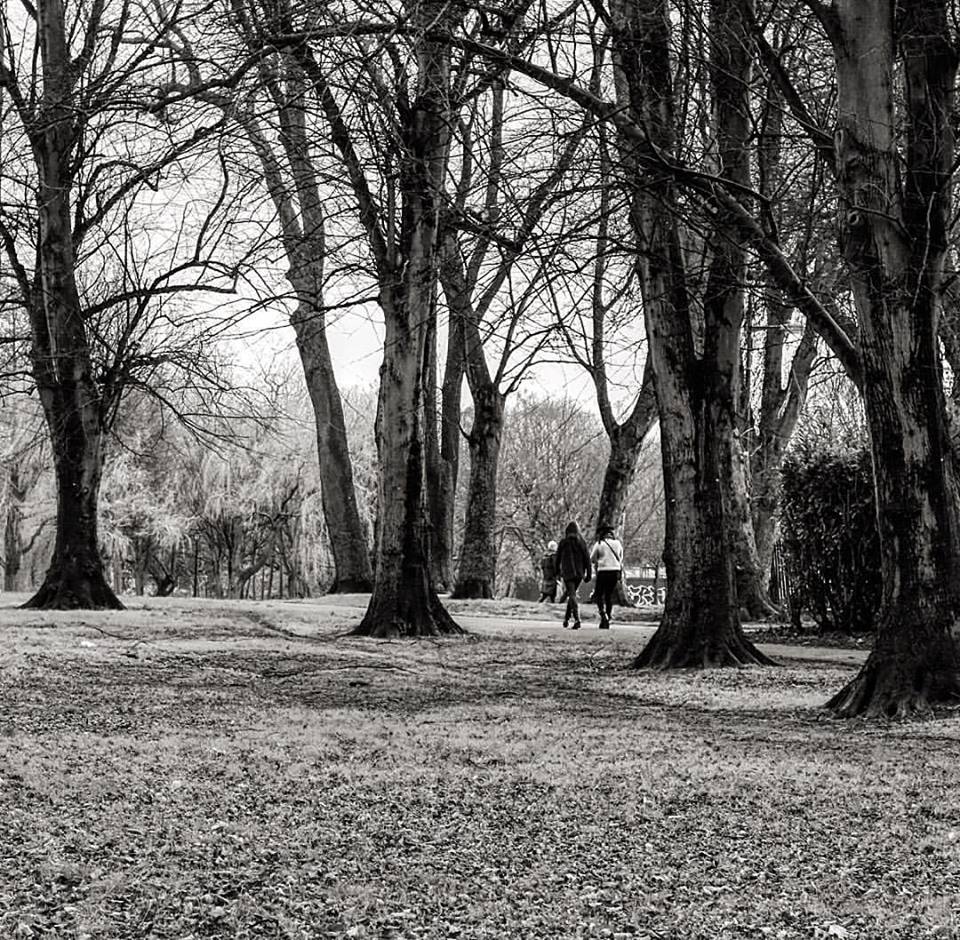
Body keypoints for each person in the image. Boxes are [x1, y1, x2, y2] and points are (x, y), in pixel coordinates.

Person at [555, 521, 591, 629]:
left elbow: (557, 559)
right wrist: (588, 574)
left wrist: (557, 572)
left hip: (567, 572)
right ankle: (566, 618)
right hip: (579, 573)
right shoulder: (581, 542)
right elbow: (587, 559)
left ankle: (577, 619)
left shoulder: (563, 542)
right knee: (572, 593)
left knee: (571, 594)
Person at [591, 524, 624, 629]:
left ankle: (603, 614)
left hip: (603, 571)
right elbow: (620, 558)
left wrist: (600, 561)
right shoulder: (618, 543)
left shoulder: (599, 544)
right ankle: (609, 615)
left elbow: (592, 558)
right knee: (608, 595)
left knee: (598, 594)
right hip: (615, 571)